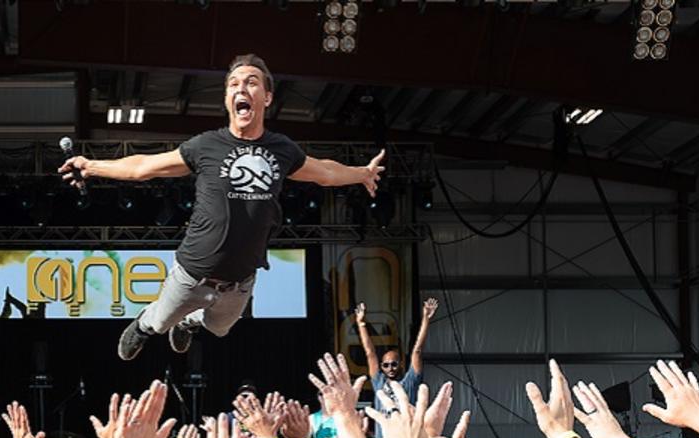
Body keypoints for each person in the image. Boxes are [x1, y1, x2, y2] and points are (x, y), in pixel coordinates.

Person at [58, 53, 386, 361]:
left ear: (267, 98)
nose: (241, 88)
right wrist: (92, 166)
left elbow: (326, 172)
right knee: (159, 323)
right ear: (228, 99)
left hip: (241, 281)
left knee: (219, 328)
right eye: (234, 84)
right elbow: (145, 166)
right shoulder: (206, 146)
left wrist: (363, 174)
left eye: (252, 82)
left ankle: (189, 323)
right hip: (191, 276)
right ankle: (144, 324)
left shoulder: (281, 149)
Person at [356, 297, 437, 406]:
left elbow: (417, 351)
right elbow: (370, 353)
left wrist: (426, 319)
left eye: (394, 364)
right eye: (386, 365)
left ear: (401, 364)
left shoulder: (409, 382)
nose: (390, 368)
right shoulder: (379, 382)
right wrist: (361, 324)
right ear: (382, 366)